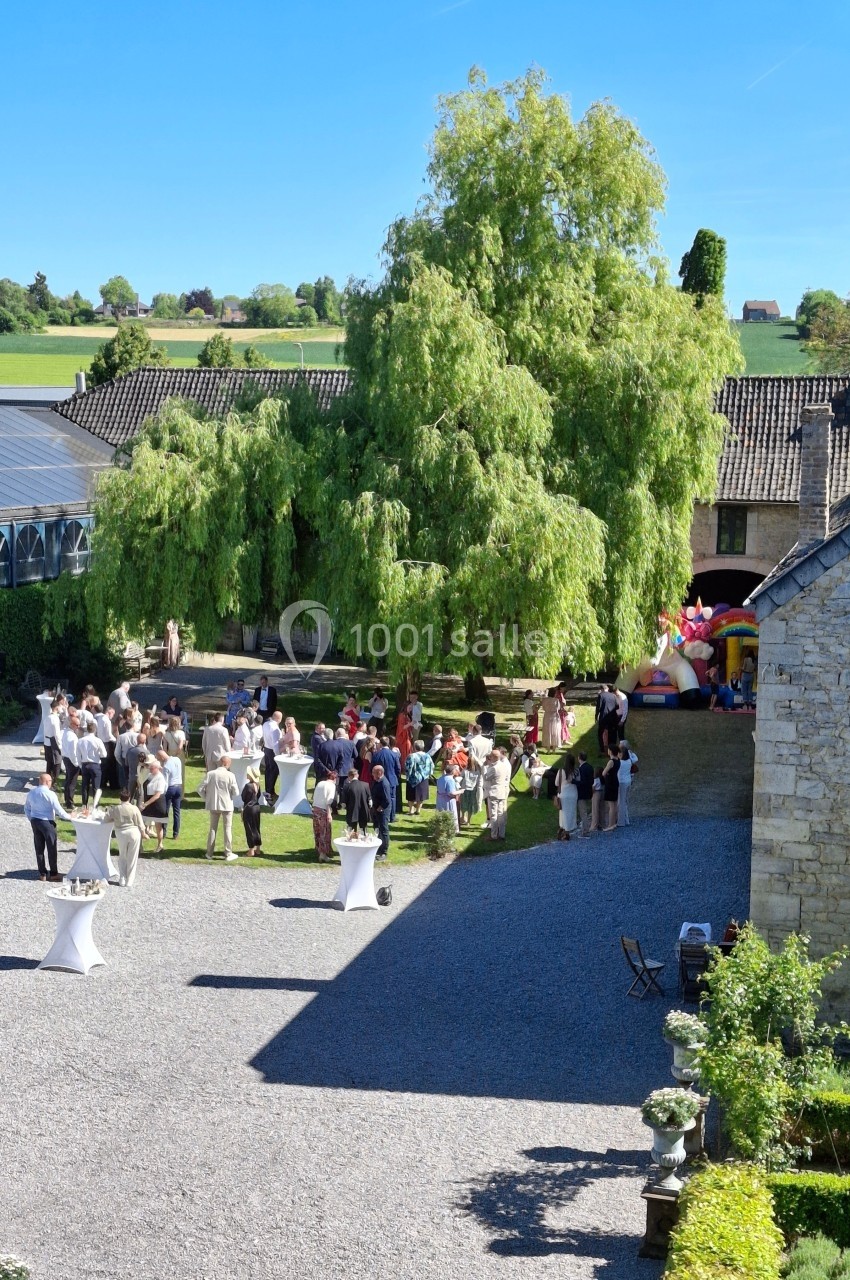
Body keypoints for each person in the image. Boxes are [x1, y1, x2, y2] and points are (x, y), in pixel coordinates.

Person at [24, 773, 69, 881]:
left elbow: (26, 808)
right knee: (51, 848)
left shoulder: (31, 792)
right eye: (50, 781)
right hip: (47, 822)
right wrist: (69, 817)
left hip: (35, 821)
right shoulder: (50, 794)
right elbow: (58, 810)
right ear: (47, 782)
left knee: (39, 848)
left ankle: (42, 874)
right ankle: (53, 873)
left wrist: (32, 819)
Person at [198, 757, 239, 860]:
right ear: (227, 764)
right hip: (227, 805)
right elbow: (236, 792)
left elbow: (199, 789)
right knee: (227, 829)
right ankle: (228, 853)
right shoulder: (231, 775)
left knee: (212, 828)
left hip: (214, 804)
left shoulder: (210, 774)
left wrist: (207, 798)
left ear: (220, 763)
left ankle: (209, 853)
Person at [104, 790, 146, 887]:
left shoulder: (115, 809)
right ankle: (129, 880)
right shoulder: (134, 808)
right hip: (134, 832)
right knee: (132, 857)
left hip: (121, 833)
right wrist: (144, 833)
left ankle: (122, 878)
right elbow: (140, 823)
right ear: (129, 798)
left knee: (122, 855)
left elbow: (106, 819)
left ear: (120, 798)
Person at [139, 759, 167, 853]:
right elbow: (144, 788)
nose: (150, 769)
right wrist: (143, 801)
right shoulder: (149, 775)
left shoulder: (160, 778)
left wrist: (146, 803)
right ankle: (140, 846)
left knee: (158, 826)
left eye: (152, 768)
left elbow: (157, 795)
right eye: (150, 768)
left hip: (157, 804)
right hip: (147, 802)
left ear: (157, 768)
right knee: (141, 824)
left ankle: (160, 845)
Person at [370, 737, 401, 821]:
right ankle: (392, 816)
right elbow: (398, 768)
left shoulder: (376, 754)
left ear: (380, 744)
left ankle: (379, 814)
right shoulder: (394, 754)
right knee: (392, 798)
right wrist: (396, 777)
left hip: (379, 780)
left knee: (379, 798)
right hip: (391, 780)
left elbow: (372, 768)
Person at [482, 750, 511, 840]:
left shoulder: (493, 767)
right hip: (502, 791)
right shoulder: (503, 765)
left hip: (494, 792)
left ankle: (493, 835)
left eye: (490, 756)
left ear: (494, 757)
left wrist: (485, 766)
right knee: (501, 814)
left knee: (493, 815)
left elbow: (486, 777)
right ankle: (502, 834)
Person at [78, 723, 108, 808]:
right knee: (96, 786)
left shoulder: (81, 740)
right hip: (95, 764)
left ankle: (84, 804)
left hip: (84, 764)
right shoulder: (98, 740)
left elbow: (77, 754)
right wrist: (97, 754)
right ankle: (95, 806)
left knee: (85, 786)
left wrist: (80, 764)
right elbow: (104, 754)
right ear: (95, 730)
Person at [157, 748, 183, 839]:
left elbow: (165, 782)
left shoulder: (166, 767)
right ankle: (176, 833)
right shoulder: (177, 759)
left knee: (166, 811)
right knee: (177, 811)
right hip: (178, 787)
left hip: (170, 788)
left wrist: (162, 793)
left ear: (162, 758)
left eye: (159, 759)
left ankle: (163, 832)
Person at [312, 769, 337, 861]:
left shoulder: (320, 783)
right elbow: (329, 801)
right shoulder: (332, 786)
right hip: (323, 810)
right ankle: (323, 854)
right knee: (324, 832)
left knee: (317, 831)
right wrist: (329, 814)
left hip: (315, 809)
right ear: (335, 779)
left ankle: (319, 849)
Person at [405, 740, 434, 815]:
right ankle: (418, 810)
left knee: (411, 796)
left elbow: (408, 767)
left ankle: (411, 810)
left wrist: (407, 776)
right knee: (421, 796)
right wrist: (429, 774)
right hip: (424, 778)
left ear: (414, 747)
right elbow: (432, 766)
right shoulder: (427, 756)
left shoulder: (412, 756)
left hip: (413, 778)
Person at [370, 764, 392, 861]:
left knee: (383, 829)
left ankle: (384, 851)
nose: (372, 774)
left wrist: (380, 807)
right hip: (376, 809)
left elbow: (387, 800)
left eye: (374, 772)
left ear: (379, 773)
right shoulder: (377, 781)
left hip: (383, 810)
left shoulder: (384, 783)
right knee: (377, 828)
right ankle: (378, 847)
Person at [341, 768, 371, 838]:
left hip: (352, 811)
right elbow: (370, 802)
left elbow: (343, 804)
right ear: (357, 775)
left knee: (351, 831)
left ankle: (352, 845)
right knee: (363, 830)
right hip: (363, 811)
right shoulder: (366, 785)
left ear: (349, 776)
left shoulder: (347, 786)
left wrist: (345, 807)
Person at [555, 753, 579, 840]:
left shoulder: (561, 771)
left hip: (563, 794)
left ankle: (563, 828)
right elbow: (578, 781)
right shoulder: (576, 771)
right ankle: (567, 831)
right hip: (573, 794)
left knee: (563, 813)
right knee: (571, 813)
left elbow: (556, 783)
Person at [60, 712, 81, 809]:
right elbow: (73, 752)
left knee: (68, 780)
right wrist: (77, 764)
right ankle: (70, 803)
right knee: (72, 782)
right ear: (72, 724)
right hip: (71, 760)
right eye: (77, 725)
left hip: (66, 758)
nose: (78, 727)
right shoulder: (72, 737)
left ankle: (67, 800)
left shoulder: (65, 732)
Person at [240, 767, 263, 857]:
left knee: (249, 829)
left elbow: (243, 797)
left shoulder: (248, 786)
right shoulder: (257, 785)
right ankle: (258, 849)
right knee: (256, 828)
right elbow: (259, 795)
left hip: (249, 809)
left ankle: (251, 850)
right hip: (256, 808)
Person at [617, 742, 639, 827]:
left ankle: (621, 821)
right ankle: (626, 819)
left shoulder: (620, 763)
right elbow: (636, 758)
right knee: (625, 801)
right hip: (628, 781)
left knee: (621, 802)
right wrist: (631, 752)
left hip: (622, 782)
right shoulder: (629, 761)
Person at [261, 710, 283, 798]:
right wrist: (278, 755)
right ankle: (270, 791)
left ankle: (268, 789)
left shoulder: (266, 724)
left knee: (268, 770)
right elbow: (275, 743)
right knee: (274, 771)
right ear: (278, 719)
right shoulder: (275, 729)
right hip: (272, 751)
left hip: (266, 748)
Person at [435, 764, 462, 832]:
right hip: (447, 801)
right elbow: (451, 793)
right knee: (450, 815)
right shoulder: (450, 780)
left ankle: (440, 829)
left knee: (441, 814)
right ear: (453, 771)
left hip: (440, 800)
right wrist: (460, 791)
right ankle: (450, 830)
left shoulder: (441, 778)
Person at [43, 696, 63, 784]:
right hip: (53, 742)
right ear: (56, 707)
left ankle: (47, 779)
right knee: (57, 762)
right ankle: (54, 781)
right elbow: (57, 734)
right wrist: (60, 745)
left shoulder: (48, 717)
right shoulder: (54, 718)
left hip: (47, 741)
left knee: (49, 762)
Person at [115, 721, 138, 791]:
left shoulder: (121, 737)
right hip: (135, 758)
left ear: (125, 727)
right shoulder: (137, 735)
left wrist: (119, 761)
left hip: (124, 758)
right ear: (133, 726)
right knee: (134, 776)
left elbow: (117, 752)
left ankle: (125, 791)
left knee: (125, 778)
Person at [576, 751, 594, 835]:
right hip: (589, 791)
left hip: (582, 792)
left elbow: (582, 782)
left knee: (583, 812)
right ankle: (586, 827)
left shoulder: (581, 769)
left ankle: (585, 830)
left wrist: (574, 781)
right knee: (586, 811)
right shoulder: (590, 767)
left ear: (579, 758)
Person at [602, 746, 620, 831]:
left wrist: (606, 773)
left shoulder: (611, 761)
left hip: (610, 783)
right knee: (615, 804)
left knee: (611, 805)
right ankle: (614, 822)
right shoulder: (618, 760)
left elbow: (604, 772)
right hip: (615, 781)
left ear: (611, 751)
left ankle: (610, 824)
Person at [395, 707, 413, 772]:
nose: (411, 709)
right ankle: (403, 767)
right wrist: (410, 724)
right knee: (403, 750)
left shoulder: (407, 715)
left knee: (408, 749)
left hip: (407, 735)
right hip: (402, 736)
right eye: (410, 707)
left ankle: (407, 766)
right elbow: (402, 727)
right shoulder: (402, 715)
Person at [590, 767, 604, 833]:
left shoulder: (596, 780)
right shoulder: (602, 779)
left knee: (595, 809)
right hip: (601, 793)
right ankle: (601, 824)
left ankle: (594, 825)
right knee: (601, 809)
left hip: (596, 793)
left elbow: (593, 788)